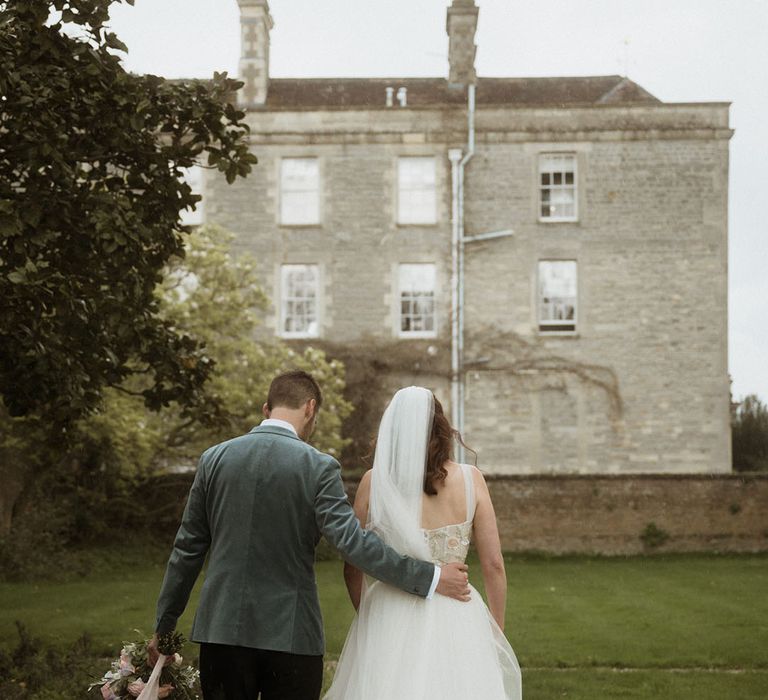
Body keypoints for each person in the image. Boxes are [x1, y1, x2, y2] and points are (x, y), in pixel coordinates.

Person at [147, 371, 471, 700]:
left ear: (266, 408)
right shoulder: (318, 466)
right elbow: (353, 544)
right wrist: (428, 576)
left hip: (221, 631)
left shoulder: (213, 460)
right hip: (291, 635)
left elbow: (186, 551)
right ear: (310, 408)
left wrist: (165, 626)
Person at [325, 386, 522, 700]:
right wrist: (495, 633)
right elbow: (494, 565)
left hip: (389, 611)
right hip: (459, 612)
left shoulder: (373, 482)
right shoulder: (472, 480)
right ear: (441, 429)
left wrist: (369, 616)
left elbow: (353, 565)